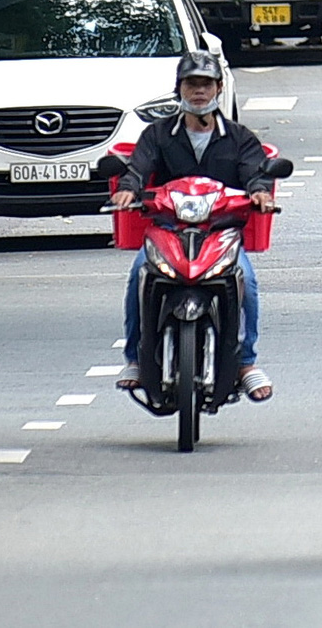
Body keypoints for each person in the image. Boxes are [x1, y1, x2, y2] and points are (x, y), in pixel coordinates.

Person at [112, 52, 278, 399]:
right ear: (180, 89)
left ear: (219, 89)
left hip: (220, 233)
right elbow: (138, 168)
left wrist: (260, 192)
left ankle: (246, 362)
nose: (199, 92)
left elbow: (254, 173)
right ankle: (134, 359)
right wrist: (128, 190)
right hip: (168, 231)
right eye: (192, 84)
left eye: (206, 84)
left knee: (245, 278)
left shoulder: (239, 137)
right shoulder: (157, 135)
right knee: (139, 274)